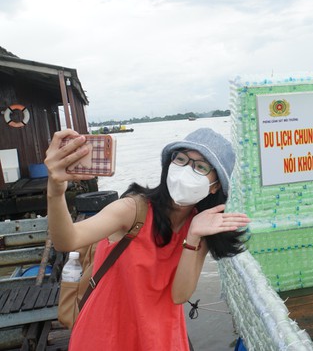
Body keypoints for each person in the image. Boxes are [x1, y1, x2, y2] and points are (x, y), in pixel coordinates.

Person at [45, 128, 251, 350]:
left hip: (161, 337)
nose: (186, 170)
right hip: (107, 333)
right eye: (181, 159)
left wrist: (193, 236)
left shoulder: (201, 224)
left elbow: (179, 294)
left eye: (200, 167)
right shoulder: (132, 209)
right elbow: (68, 240)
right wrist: (55, 191)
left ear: (216, 186)